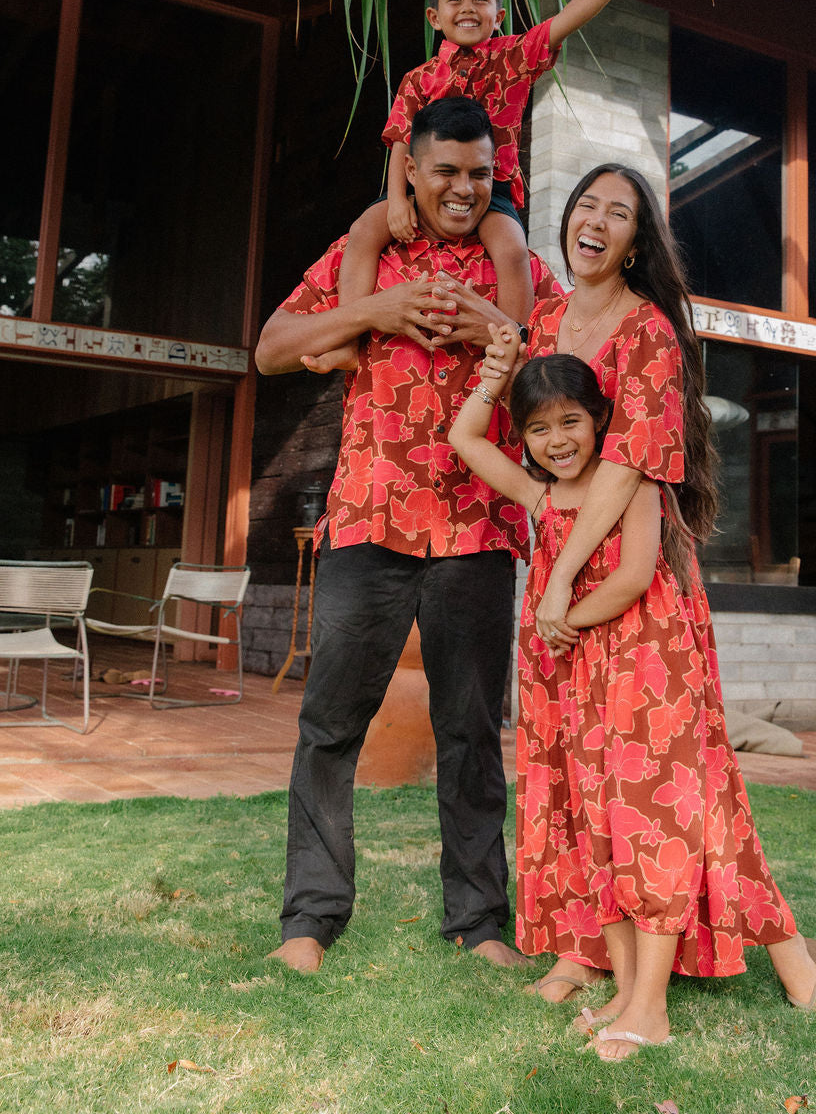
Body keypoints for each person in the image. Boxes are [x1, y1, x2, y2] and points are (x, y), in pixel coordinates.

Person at [483, 163, 816, 1039]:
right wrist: (492, 367)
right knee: (584, 774)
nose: (597, 221)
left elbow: (632, 459)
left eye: (620, 212)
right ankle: (600, 948)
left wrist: (562, 579)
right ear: (568, 225)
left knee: (661, 782)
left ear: (637, 242)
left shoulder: (648, 333)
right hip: (563, 586)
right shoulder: (542, 319)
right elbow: (526, 435)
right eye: (587, 207)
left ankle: (715, 968)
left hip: (629, 589)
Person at [254, 97, 557, 974]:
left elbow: (568, 361)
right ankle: (310, 922)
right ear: (412, 171)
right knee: (329, 725)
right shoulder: (372, 255)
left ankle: (481, 923)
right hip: (369, 520)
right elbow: (274, 347)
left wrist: (499, 329)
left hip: (478, 528)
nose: (463, 188)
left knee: (471, 733)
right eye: (446, 171)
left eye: (478, 173)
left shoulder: (518, 265)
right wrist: (372, 312)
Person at [309, 0, 667, 374]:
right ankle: (348, 337)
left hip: (490, 189)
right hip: (423, 190)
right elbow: (400, 140)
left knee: (512, 248)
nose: (468, 8)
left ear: (498, 16)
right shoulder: (419, 78)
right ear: (434, 17)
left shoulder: (511, 57)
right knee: (365, 227)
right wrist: (398, 198)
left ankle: (511, 347)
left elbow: (562, 23)